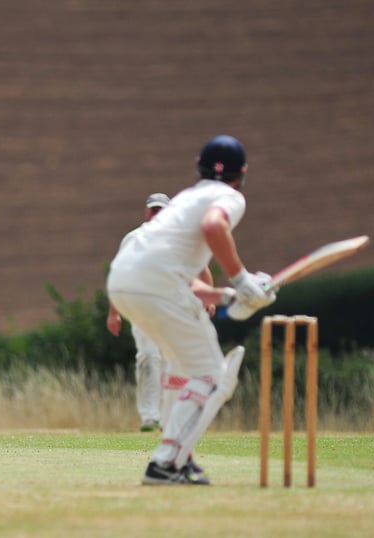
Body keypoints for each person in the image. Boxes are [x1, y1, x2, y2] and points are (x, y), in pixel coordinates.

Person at [106, 134, 276, 485]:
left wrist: (230, 296)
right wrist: (243, 279)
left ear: (199, 168)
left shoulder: (186, 199)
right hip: (156, 286)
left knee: (182, 371)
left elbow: (185, 282)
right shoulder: (229, 196)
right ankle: (166, 462)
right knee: (213, 375)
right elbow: (214, 226)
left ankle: (180, 460)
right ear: (241, 173)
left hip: (123, 282)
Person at [106, 193, 170, 432]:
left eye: (162, 210)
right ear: (147, 212)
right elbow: (117, 273)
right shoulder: (134, 239)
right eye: (154, 210)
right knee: (148, 357)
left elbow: (199, 269)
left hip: (170, 305)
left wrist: (206, 298)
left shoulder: (177, 239)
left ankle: (167, 415)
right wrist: (114, 312)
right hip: (141, 304)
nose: (157, 215)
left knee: (171, 358)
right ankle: (149, 417)